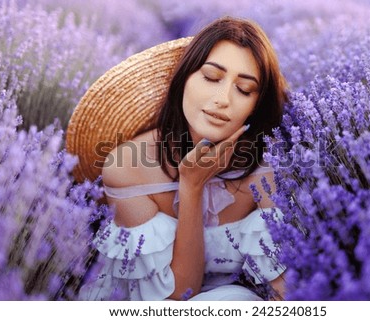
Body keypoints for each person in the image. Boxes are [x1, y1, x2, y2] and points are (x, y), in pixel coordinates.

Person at [77, 16, 289, 301]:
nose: (222, 98)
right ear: (183, 80)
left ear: (255, 106)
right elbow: (178, 297)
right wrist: (191, 186)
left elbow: (287, 289)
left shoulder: (267, 162)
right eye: (211, 77)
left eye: (244, 89)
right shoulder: (128, 165)